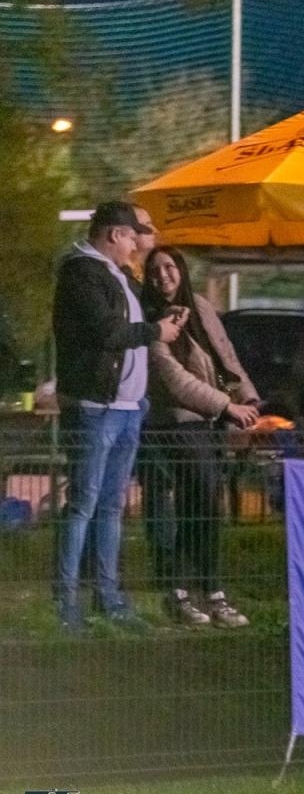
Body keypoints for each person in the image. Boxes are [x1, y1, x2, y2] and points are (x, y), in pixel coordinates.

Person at [53, 201, 184, 632]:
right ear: (113, 235)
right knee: (84, 506)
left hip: (128, 407)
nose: (135, 245)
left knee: (110, 508)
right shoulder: (82, 273)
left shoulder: (119, 274)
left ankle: (109, 598)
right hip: (97, 407)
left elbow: (127, 322)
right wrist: (155, 332)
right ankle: (66, 603)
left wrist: (159, 322)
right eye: (131, 236)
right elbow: (106, 332)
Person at [140, 246, 260, 628]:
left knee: (206, 507)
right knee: (192, 508)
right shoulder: (149, 320)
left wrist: (247, 395)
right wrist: (226, 407)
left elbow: (225, 354)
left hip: (207, 423)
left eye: (170, 267)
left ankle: (209, 592)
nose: (163, 276)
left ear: (182, 270)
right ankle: (183, 592)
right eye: (154, 270)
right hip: (175, 423)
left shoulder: (202, 307)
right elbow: (172, 377)